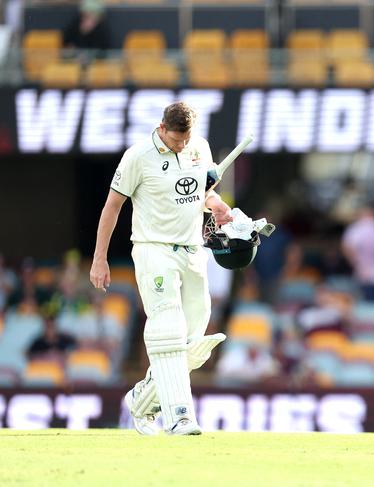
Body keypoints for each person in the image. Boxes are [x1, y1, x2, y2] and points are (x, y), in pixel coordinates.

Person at [89, 101, 233, 436]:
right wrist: (100, 258)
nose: (181, 145)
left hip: (193, 249)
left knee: (193, 340)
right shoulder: (138, 156)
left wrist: (218, 205)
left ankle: (142, 400)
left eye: (186, 140)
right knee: (168, 327)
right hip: (154, 250)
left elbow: (203, 191)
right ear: (162, 128)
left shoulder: (199, 146)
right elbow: (112, 207)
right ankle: (180, 417)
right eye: (176, 139)